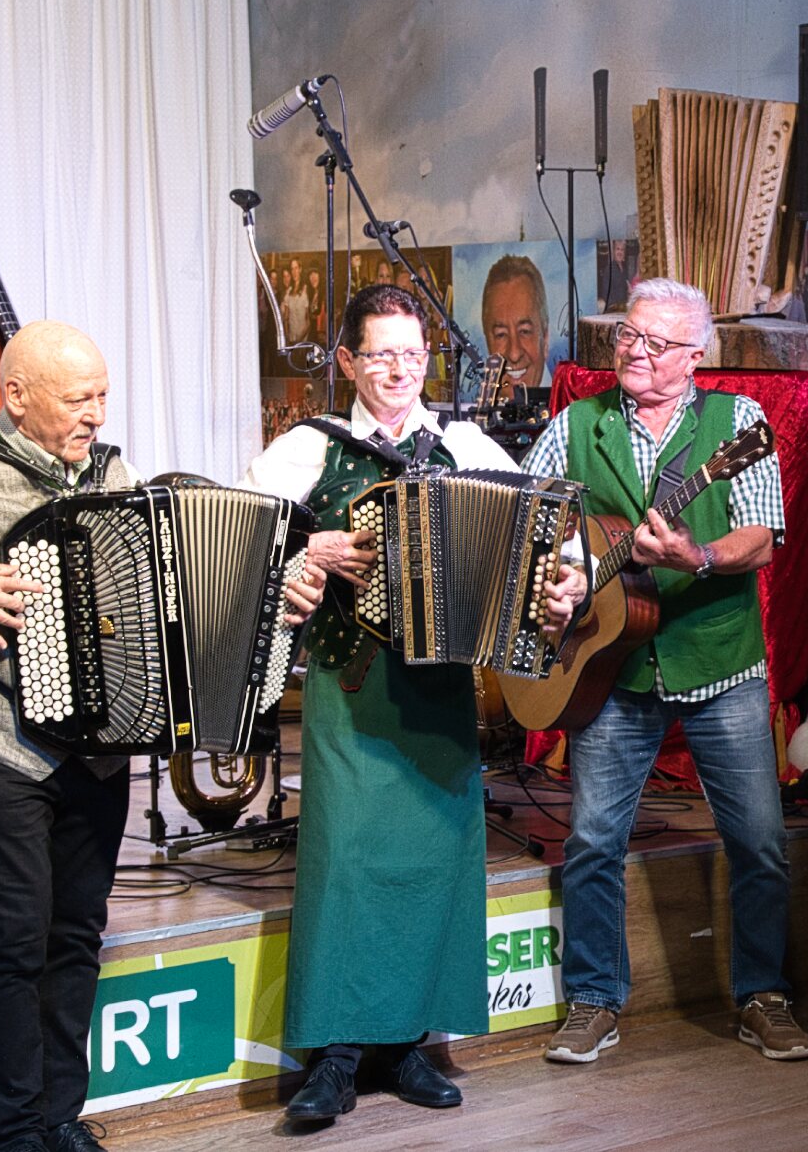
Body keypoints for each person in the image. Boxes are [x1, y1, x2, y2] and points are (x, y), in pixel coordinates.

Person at [0, 321, 325, 1152]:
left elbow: (171, 598)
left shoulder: (113, 475)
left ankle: (60, 1112)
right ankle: (16, 1127)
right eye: (76, 399)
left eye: (102, 395)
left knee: (76, 934)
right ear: (16, 396)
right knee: (16, 937)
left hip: (99, 748)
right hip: (2, 740)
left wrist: (267, 597)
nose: (95, 414)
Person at [239, 283, 584, 1126]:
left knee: (435, 863)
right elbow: (241, 537)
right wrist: (307, 546)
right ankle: (334, 1055)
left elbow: (546, 534)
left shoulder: (462, 443)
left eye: (412, 353)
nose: (399, 370)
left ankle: (406, 1045)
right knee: (343, 863)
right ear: (347, 360)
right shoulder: (308, 449)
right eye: (381, 354)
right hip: (350, 682)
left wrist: (566, 580)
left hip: (439, 690)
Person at [521, 278, 808, 1066]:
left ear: (695, 355)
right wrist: (559, 577)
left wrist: (698, 555)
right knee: (592, 840)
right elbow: (529, 518)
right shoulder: (577, 424)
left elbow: (763, 535)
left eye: (655, 342)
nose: (635, 351)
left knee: (759, 840)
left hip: (720, 662)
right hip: (611, 666)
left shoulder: (737, 425)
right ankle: (593, 1000)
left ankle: (762, 994)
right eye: (628, 336)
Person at [481, 253, 551, 391]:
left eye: (524, 331)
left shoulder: (570, 405)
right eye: (501, 334)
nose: (514, 354)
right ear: (487, 342)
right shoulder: (473, 403)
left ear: (545, 338)